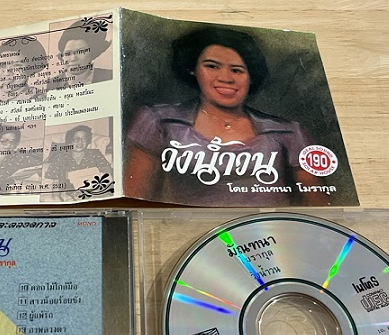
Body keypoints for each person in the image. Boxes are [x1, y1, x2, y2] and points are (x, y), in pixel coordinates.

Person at [125, 27, 328, 206]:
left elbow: (320, 207)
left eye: (237, 70)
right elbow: (135, 200)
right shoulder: (159, 121)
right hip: (187, 231)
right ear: (192, 69)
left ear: (251, 77)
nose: (226, 78)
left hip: (271, 233)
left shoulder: (288, 132)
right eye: (212, 66)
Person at [0, 37, 49, 104]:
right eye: (2, 65)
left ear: (30, 69)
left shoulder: (38, 99)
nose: (7, 72)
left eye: (16, 66)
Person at [44, 125, 112, 191]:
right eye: (76, 139)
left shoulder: (95, 154)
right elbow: (54, 179)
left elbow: (107, 172)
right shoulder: (61, 156)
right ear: (70, 141)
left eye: (84, 139)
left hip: (94, 191)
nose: (80, 142)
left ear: (87, 141)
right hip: (69, 194)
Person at [48, 23, 112, 90]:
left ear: (92, 53)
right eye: (68, 53)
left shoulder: (109, 76)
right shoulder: (51, 84)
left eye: (80, 52)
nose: (73, 58)